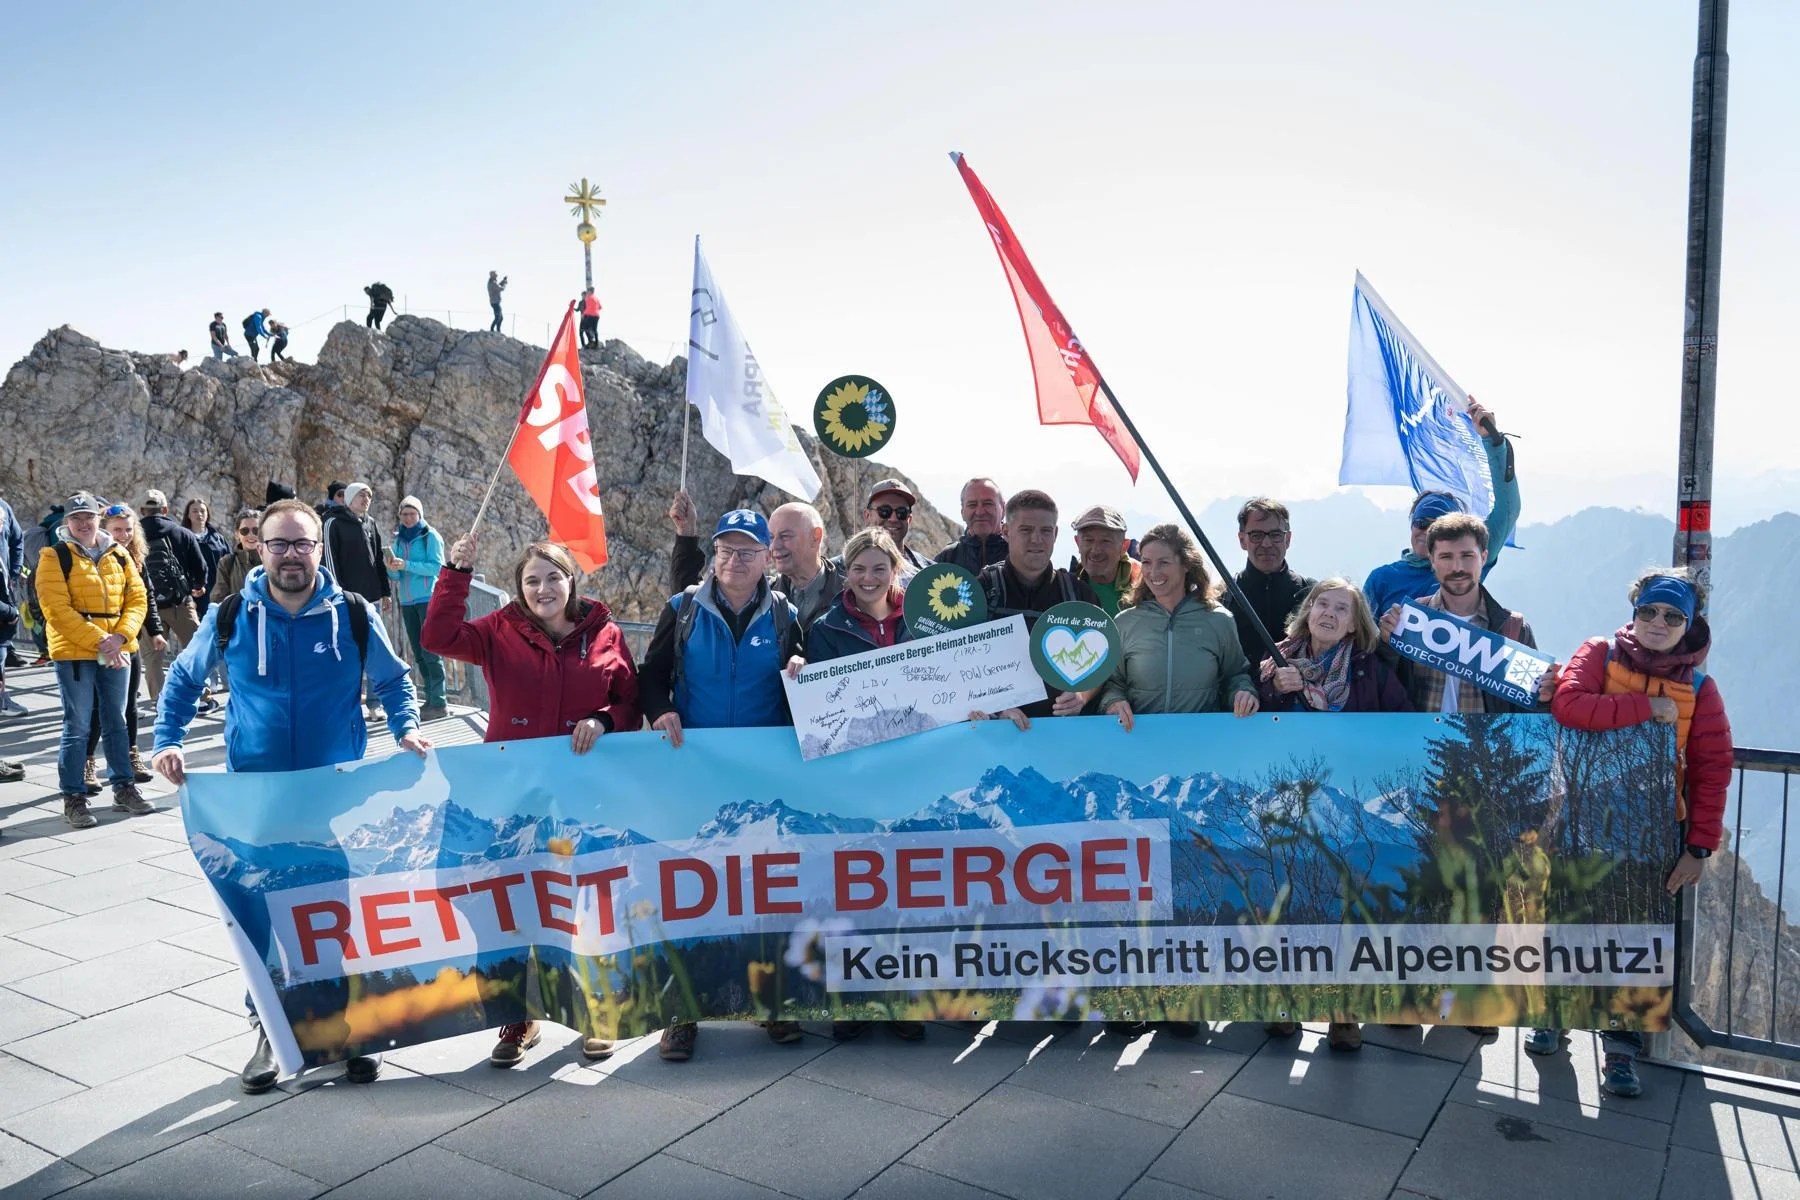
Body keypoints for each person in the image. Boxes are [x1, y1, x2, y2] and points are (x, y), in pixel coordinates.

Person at [152, 497, 428, 1093]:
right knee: (259, 909)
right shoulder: (230, 615)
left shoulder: (351, 612)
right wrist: (166, 741)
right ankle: (270, 1031)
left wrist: (406, 726)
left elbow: (391, 678)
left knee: (334, 909)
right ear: (260, 548)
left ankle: (344, 1026)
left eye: (303, 544)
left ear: (319, 549)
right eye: (279, 544)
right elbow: (182, 677)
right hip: (257, 796)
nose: (291, 555)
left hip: (335, 795)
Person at [425, 532, 639, 1064]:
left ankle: (597, 1011)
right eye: (532, 580)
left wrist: (602, 720)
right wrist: (455, 572)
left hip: (581, 795)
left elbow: (629, 701)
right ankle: (518, 1016)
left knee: (585, 900)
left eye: (553, 577)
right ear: (520, 590)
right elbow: (436, 636)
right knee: (515, 902)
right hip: (511, 797)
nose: (544, 589)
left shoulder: (605, 632)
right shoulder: (499, 630)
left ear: (572, 581)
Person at [1533, 567, 1733, 1098]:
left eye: (1672, 615)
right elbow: (1569, 706)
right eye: (1649, 611)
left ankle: (1621, 1052)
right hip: (1581, 824)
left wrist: (1698, 848)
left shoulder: (1701, 690)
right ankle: (1554, 1019)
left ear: (1689, 623)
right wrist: (1649, 707)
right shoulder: (1599, 653)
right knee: (1567, 925)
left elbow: (1712, 769)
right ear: (1634, 611)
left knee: (1635, 943)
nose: (1658, 622)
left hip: (1650, 836)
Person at [637, 508, 805, 1062]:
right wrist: (660, 711)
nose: (736, 560)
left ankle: (771, 1001)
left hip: (761, 779)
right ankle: (683, 1013)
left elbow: (799, 684)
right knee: (691, 893)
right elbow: (652, 675)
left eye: (748, 551)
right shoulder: (683, 609)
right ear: (714, 555)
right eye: (727, 550)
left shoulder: (784, 616)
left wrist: (802, 669)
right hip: (694, 775)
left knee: (764, 891)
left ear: (766, 559)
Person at [1092, 522, 1258, 1038]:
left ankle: (1184, 1000)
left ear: (1187, 565)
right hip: (1137, 772)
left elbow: (1236, 671)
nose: (1157, 572)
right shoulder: (1125, 622)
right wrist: (1112, 698)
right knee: (1135, 884)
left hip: (1192, 771)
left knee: (1187, 883)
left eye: (1166, 562)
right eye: (1149, 562)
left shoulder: (1218, 621)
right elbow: (1110, 679)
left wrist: (1242, 691)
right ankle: (1130, 997)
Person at [779, 528, 926, 1043]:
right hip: (854, 775)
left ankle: (904, 1001)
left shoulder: (922, 619)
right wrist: (800, 667)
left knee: (907, 887)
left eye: (878, 568)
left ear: (895, 571)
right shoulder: (826, 626)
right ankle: (853, 1000)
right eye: (858, 568)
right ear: (847, 571)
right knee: (856, 887)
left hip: (914, 771)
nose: (867, 578)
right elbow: (817, 699)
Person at [1253, 578, 1410, 1050]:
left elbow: (1400, 726)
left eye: (1342, 608)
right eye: (1322, 603)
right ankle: (1286, 1004)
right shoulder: (1271, 662)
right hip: (1287, 802)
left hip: (1348, 808)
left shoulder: (1371, 671)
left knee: (1345, 906)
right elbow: (1245, 724)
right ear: (1308, 610)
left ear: (1352, 625)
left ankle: (1345, 1012)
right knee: (1289, 903)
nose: (1329, 613)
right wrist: (1275, 692)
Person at [36, 492, 151, 828]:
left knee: (116, 719)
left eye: (88, 516)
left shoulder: (118, 554)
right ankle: (74, 796)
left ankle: (123, 787)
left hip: (116, 647)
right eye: (76, 518)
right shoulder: (54, 556)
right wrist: (102, 641)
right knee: (78, 725)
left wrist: (120, 638)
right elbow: (56, 610)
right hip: (75, 650)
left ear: (98, 519)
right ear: (67, 522)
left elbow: (137, 598)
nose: (83, 523)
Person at [1378, 513, 1556, 716]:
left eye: (1467, 556)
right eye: (1446, 557)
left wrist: (1543, 698)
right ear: (1432, 561)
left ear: (1483, 557)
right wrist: (1384, 646)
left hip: (1488, 748)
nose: (1457, 568)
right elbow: (1381, 690)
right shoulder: (1408, 621)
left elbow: (1530, 718)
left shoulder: (1512, 629)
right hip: (1417, 746)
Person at [1362, 399, 1521, 620]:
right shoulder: (1381, 579)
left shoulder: (1464, 568)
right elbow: (1360, 641)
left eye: (1436, 525)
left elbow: (1508, 510)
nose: (1426, 530)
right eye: (1420, 523)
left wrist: (1493, 441)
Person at [972, 489, 1103, 724]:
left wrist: (1083, 696)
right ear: (1005, 532)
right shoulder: (981, 591)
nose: (1036, 539)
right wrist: (997, 709)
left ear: (1055, 534)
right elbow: (958, 665)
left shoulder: (1078, 595)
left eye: (1045, 531)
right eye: (1026, 530)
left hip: (1061, 736)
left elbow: (1104, 660)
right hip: (997, 738)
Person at [668, 492, 844, 629]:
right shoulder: (761, 594)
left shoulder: (853, 596)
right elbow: (692, 601)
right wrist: (686, 533)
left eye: (785, 536)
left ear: (815, 537)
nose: (774, 546)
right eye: (771, 537)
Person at [90, 505, 161, 785]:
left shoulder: (134, 557)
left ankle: (132, 754)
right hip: (99, 640)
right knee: (99, 703)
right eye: (117, 529)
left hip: (128, 637)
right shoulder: (95, 555)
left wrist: (154, 630)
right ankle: (87, 760)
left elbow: (147, 596)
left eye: (129, 529)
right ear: (104, 529)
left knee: (130, 701)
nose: (124, 535)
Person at [1220, 498, 1316, 675]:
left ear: (1287, 539)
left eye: (1275, 535)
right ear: (1242, 540)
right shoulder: (1223, 598)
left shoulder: (1313, 595)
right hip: (1238, 700)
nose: (1266, 544)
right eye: (1256, 535)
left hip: (1296, 699)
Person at [322, 482, 394, 716]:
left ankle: (375, 703)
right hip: (346, 600)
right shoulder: (332, 522)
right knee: (348, 651)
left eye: (369, 496)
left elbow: (378, 560)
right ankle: (348, 704)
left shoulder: (371, 523)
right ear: (350, 498)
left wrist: (385, 591)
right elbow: (330, 561)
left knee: (375, 647)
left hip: (371, 598)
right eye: (362, 495)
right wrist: (336, 594)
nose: (366, 499)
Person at [138, 489, 210, 708]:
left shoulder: (134, 536)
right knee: (196, 649)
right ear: (165, 509)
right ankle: (202, 695)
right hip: (180, 603)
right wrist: (197, 586)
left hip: (148, 607)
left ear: (142, 511)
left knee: (152, 657)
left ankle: (160, 702)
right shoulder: (181, 533)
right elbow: (200, 567)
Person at [386, 495, 449, 720]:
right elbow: (395, 575)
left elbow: (437, 568)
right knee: (418, 651)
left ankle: (440, 701)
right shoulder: (398, 540)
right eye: (404, 514)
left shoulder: (429, 536)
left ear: (419, 515)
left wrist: (408, 564)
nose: (408, 518)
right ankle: (430, 700)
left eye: (412, 514)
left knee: (430, 650)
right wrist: (391, 567)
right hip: (406, 601)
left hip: (427, 598)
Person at [843, 480, 932, 584]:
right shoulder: (837, 571)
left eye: (901, 513)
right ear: (867, 516)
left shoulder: (930, 573)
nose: (893, 519)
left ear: (909, 519)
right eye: (884, 511)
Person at [1069, 504, 1139, 616]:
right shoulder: (1065, 587)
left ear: (1124, 546)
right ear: (1078, 543)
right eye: (1088, 540)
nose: (1096, 550)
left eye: (1106, 541)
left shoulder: (1146, 585)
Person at [934, 478, 1008, 573]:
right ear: (962, 512)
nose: (980, 512)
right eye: (972, 505)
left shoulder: (1019, 553)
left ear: (1003, 509)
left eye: (988, 504)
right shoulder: (947, 558)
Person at [181, 498, 230, 622]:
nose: (199, 514)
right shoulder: (182, 539)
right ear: (188, 515)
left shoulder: (218, 539)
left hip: (218, 593)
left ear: (208, 514)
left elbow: (230, 564)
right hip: (193, 596)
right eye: (195, 511)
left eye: (202, 511)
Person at [0, 492, 22, 718]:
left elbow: (17, 540)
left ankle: (2, 699)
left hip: (4, 590)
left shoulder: (3, 507)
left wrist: (14, 574)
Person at [212, 508, 263, 606]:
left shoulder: (273, 561)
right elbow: (218, 600)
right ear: (237, 534)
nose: (250, 535)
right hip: (239, 620)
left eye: (256, 530)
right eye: (244, 531)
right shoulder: (227, 563)